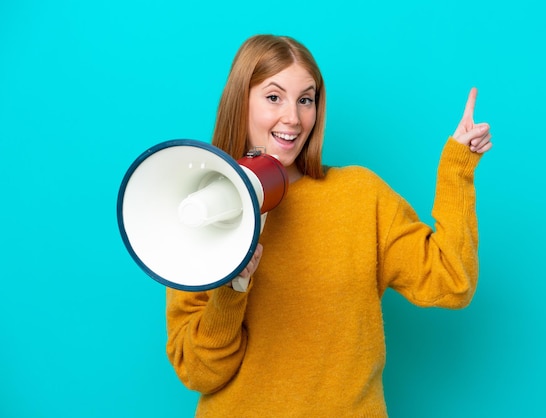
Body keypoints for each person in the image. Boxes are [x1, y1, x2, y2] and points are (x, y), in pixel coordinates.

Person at [165, 34, 492, 417]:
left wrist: (457, 169)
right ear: (241, 101)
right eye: (274, 97)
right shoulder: (197, 209)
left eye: (306, 99)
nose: (293, 117)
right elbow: (200, 373)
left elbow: (452, 281)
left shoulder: (360, 196)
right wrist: (232, 290)